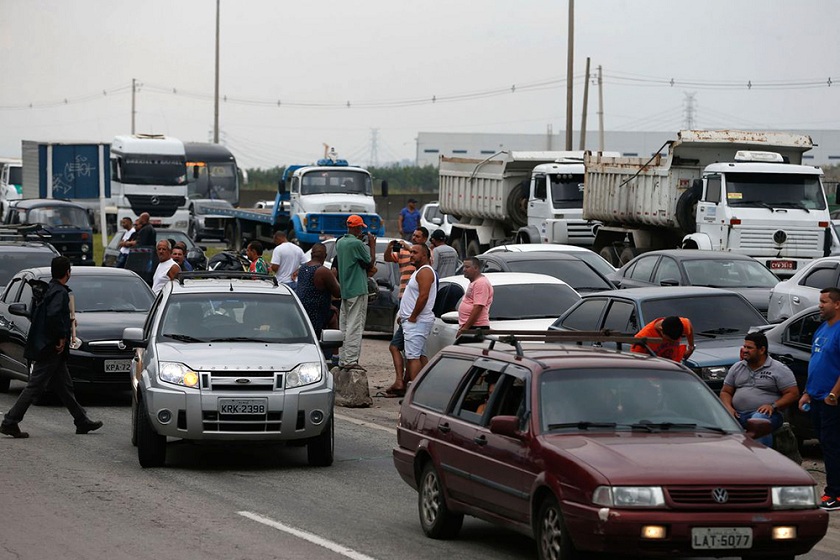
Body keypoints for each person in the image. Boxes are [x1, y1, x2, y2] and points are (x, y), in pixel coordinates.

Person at [0, 257, 103, 438]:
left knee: (65, 386)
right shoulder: (59, 293)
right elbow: (54, 315)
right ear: (68, 273)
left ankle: (81, 420)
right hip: (50, 348)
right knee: (34, 386)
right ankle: (10, 421)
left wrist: (67, 322)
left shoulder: (50, 289)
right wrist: (62, 336)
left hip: (47, 345)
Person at [799, 287, 840, 510]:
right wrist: (806, 391)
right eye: (819, 301)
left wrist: (834, 394)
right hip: (815, 397)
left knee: (833, 447)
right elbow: (815, 362)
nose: (820, 305)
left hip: (831, 399)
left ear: (837, 304)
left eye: (824, 301)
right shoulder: (822, 328)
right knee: (825, 445)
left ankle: (835, 494)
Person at [719, 333, 799, 446]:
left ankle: (761, 458)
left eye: (749, 348)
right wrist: (728, 408)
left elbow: (793, 393)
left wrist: (773, 406)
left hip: (768, 415)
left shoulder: (779, 369)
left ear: (762, 350)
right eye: (744, 347)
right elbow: (725, 392)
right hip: (738, 415)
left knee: (758, 421)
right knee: (715, 423)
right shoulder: (737, 367)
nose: (745, 350)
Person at [384, 227, 430, 396]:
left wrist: (411, 316)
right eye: (414, 235)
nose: (415, 238)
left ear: (424, 239)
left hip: (413, 310)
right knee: (415, 352)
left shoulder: (424, 260)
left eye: (418, 236)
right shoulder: (407, 254)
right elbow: (388, 258)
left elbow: (423, 295)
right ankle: (408, 383)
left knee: (407, 351)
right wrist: (391, 246)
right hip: (405, 302)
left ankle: (410, 386)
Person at [335, 215, 376, 371]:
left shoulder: (340, 242)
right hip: (357, 289)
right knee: (355, 325)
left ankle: (343, 359)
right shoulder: (356, 243)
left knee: (344, 325)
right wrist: (372, 245)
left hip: (345, 289)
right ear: (357, 228)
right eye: (360, 228)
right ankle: (351, 360)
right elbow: (370, 262)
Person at [398, 243, 437, 382]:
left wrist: (412, 317)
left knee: (413, 358)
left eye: (415, 252)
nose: (411, 254)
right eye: (411, 252)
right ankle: (425, 388)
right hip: (413, 321)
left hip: (417, 322)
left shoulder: (425, 271)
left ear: (424, 255)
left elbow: (423, 296)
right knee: (420, 356)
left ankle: (414, 392)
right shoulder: (419, 271)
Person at [296, 243, 341, 341]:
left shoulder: (303, 268)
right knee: (333, 317)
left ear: (311, 254)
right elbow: (338, 293)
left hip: (301, 310)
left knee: (332, 310)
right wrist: (333, 276)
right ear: (325, 256)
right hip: (316, 312)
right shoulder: (323, 271)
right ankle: (335, 353)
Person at [457, 256, 494, 337]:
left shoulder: (481, 283)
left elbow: (478, 306)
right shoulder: (475, 282)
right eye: (463, 267)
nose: (464, 270)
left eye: (467, 267)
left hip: (476, 327)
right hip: (472, 327)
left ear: (476, 268)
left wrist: (465, 328)